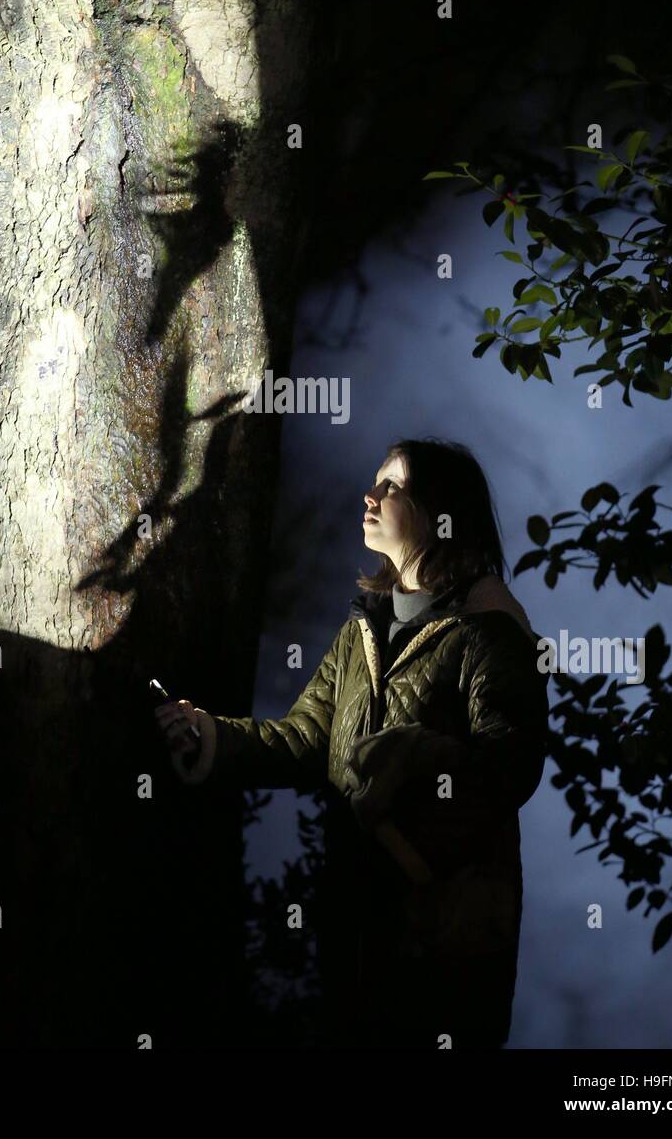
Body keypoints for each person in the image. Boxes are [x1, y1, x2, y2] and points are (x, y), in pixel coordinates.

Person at [155, 436, 550, 1050]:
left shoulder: (486, 631)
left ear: (438, 508)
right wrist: (208, 734)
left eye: (393, 485)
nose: (371, 495)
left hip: (447, 948)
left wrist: (413, 763)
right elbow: (306, 737)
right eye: (375, 481)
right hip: (351, 928)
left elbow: (510, 763)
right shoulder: (361, 629)